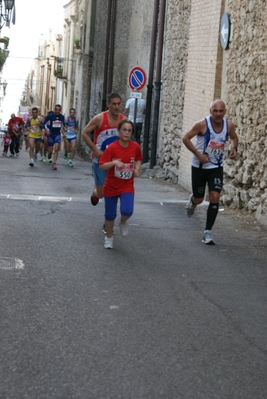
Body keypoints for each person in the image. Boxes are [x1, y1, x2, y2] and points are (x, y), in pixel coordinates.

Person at [182, 99, 238, 245]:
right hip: (199, 166)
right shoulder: (202, 124)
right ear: (210, 111)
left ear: (225, 112)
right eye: (215, 111)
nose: (218, 114)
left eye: (221, 111)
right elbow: (186, 138)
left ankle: (207, 232)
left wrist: (234, 148)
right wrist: (198, 154)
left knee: (214, 196)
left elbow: (234, 137)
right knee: (200, 199)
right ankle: (193, 200)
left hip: (216, 167)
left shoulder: (228, 125)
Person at [99, 119, 143, 249]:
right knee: (110, 215)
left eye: (129, 131)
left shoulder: (135, 147)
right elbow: (102, 166)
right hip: (111, 185)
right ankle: (109, 237)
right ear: (119, 131)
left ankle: (123, 222)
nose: (126, 133)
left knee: (127, 210)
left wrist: (137, 168)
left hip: (126, 185)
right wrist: (114, 163)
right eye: (124, 130)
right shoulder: (112, 148)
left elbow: (139, 158)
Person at [81, 92, 125, 213]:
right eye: (113, 104)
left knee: (113, 191)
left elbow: (127, 139)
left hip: (115, 162)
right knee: (101, 194)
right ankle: (96, 192)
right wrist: (95, 150)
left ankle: (109, 218)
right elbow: (84, 133)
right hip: (99, 161)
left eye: (118, 104)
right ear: (108, 105)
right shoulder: (99, 118)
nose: (116, 107)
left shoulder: (123, 120)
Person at [43, 104, 65, 170]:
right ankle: (49, 153)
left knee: (56, 148)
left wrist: (64, 131)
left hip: (57, 134)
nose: (57, 111)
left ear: (60, 110)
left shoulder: (62, 117)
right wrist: (46, 130)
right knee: (50, 149)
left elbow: (62, 125)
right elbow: (44, 124)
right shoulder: (50, 116)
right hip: (51, 134)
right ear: (54, 109)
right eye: (56, 110)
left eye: (59, 110)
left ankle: (54, 163)